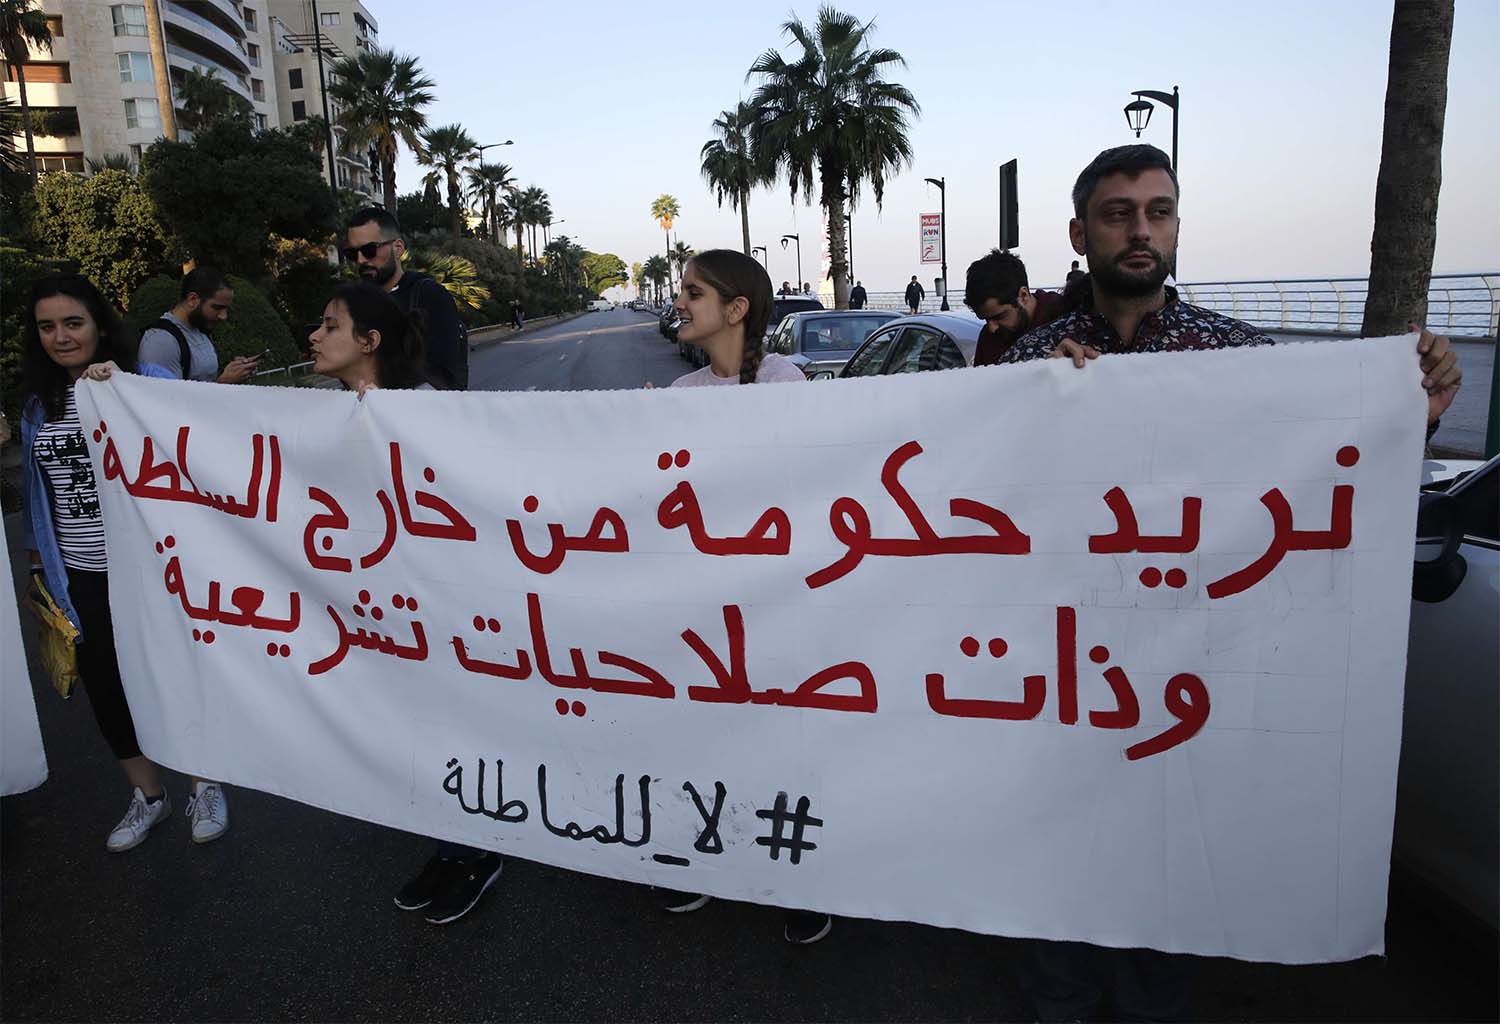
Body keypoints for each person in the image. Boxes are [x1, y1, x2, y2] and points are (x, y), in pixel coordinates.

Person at [1001, 143, 1461, 1021]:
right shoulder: (1024, 365)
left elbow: (1329, 482)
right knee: (1053, 915)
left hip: (1188, 688)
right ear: (1079, 231)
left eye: (1159, 211)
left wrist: (1412, 415)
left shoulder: (1243, 356)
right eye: (1118, 212)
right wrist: (1032, 405)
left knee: (1163, 912)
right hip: (1054, 688)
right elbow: (960, 494)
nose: (1141, 230)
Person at [308, 281, 505, 924]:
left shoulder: (424, 406)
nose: (315, 335)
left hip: (444, 608)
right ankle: (449, 846)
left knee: (458, 727)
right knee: (416, 731)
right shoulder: (331, 412)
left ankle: (481, 851)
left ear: (369, 342)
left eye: (330, 326)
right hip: (385, 612)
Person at [18, 274, 231, 851]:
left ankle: (203, 783)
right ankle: (149, 797)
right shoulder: (38, 405)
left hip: (151, 571)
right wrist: (42, 573)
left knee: (174, 674)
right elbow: (44, 497)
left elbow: (207, 435)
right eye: (48, 326)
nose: (61, 337)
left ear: (98, 325)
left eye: (73, 322)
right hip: (78, 575)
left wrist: (127, 394)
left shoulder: (143, 379)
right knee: (107, 687)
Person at [660, 250, 829, 944]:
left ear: (735, 309)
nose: (679, 303)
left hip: (778, 605)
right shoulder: (679, 398)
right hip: (705, 606)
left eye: (693, 293)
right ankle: (709, 855)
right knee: (710, 734)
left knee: (782, 738)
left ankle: (798, 873)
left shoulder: (787, 383)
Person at [344, 207, 468, 390]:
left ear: (398, 248)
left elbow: (445, 377)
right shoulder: (354, 305)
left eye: (369, 250)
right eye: (352, 254)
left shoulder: (429, 296)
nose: (361, 260)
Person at [138, 267, 259, 383]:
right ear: (192, 299)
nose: (224, 316)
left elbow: (205, 382)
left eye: (226, 309)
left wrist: (235, 371)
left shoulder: (199, 328)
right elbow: (167, 400)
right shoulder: (161, 342)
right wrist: (225, 382)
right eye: (217, 308)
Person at [963, 250, 1072, 366]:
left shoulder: (1068, 318)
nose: (992, 328)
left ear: (1023, 295)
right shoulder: (988, 339)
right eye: (985, 319)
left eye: (999, 316)